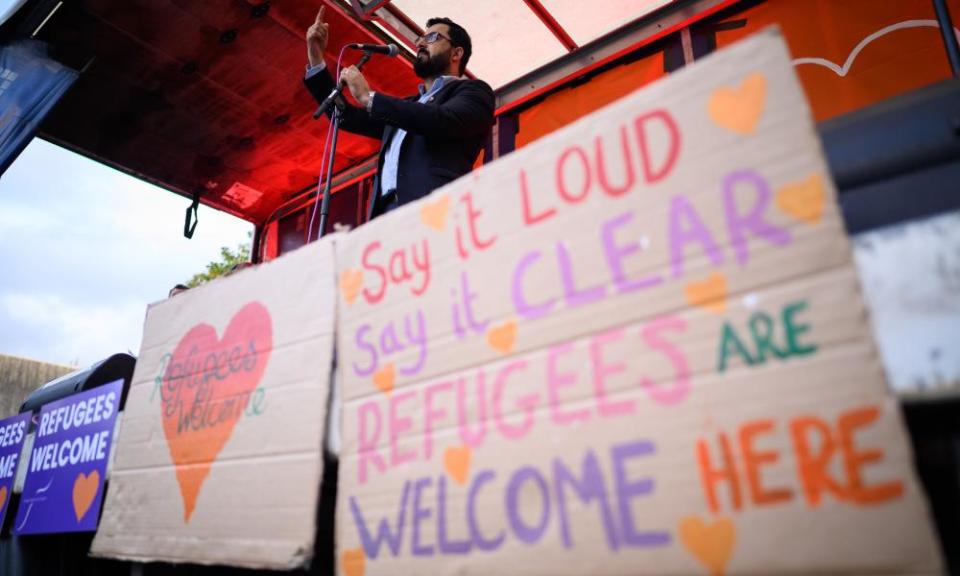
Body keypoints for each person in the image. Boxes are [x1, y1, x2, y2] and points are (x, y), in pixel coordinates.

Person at [304, 7, 495, 220]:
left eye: (431, 37)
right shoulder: (408, 106)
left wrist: (369, 98)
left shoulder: (474, 91)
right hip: (385, 217)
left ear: (456, 53)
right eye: (420, 38)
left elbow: (445, 121)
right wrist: (315, 58)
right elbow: (346, 116)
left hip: (435, 211)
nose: (420, 44)